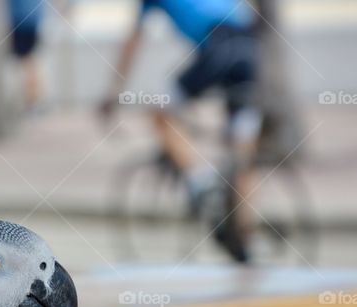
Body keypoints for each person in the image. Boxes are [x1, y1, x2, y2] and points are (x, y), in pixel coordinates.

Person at [101, 0, 261, 263]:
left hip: (219, 44)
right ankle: (245, 238)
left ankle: (201, 182)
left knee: (159, 111)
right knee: (241, 146)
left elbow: (133, 42)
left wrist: (113, 92)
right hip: (251, 48)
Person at [8, 0, 45, 110]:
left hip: (19, 19)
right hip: (33, 18)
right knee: (29, 61)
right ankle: (32, 99)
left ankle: (31, 99)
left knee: (26, 61)